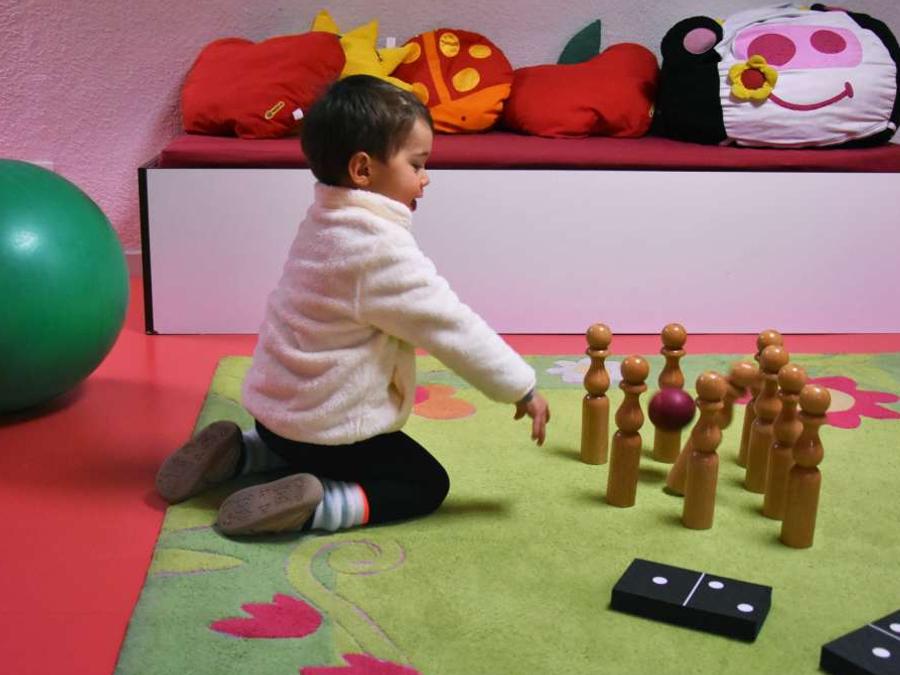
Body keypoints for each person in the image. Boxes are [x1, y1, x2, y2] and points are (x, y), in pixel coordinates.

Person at [155, 74, 550, 536]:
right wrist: (520, 387)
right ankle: (317, 506)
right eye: (417, 164)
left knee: (297, 439)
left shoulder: (323, 220)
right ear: (363, 170)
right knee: (423, 481)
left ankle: (246, 452)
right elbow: (451, 326)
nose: (426, 178)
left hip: (275, 416)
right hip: (329, 432)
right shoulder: (379, 251)